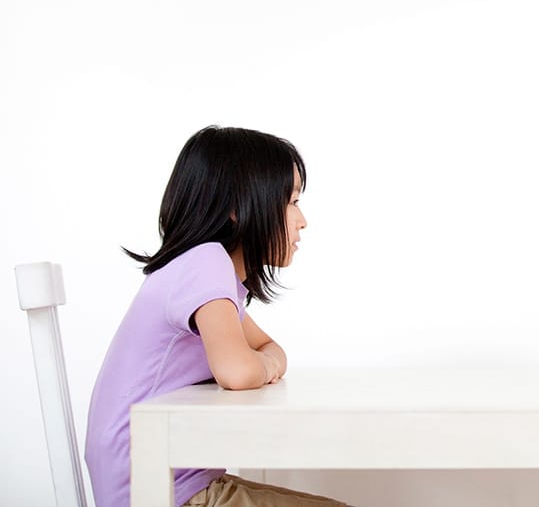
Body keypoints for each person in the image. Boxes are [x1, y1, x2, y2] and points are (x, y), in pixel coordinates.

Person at [85, 126, 352, 507]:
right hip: (157, 492)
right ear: (237, 207)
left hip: (171, 480)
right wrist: (263, 364)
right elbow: (239, 371)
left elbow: (265, 348)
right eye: (291, 201)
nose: (302, 219)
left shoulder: (208, 274)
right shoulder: (204, 263)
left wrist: (263, 360)